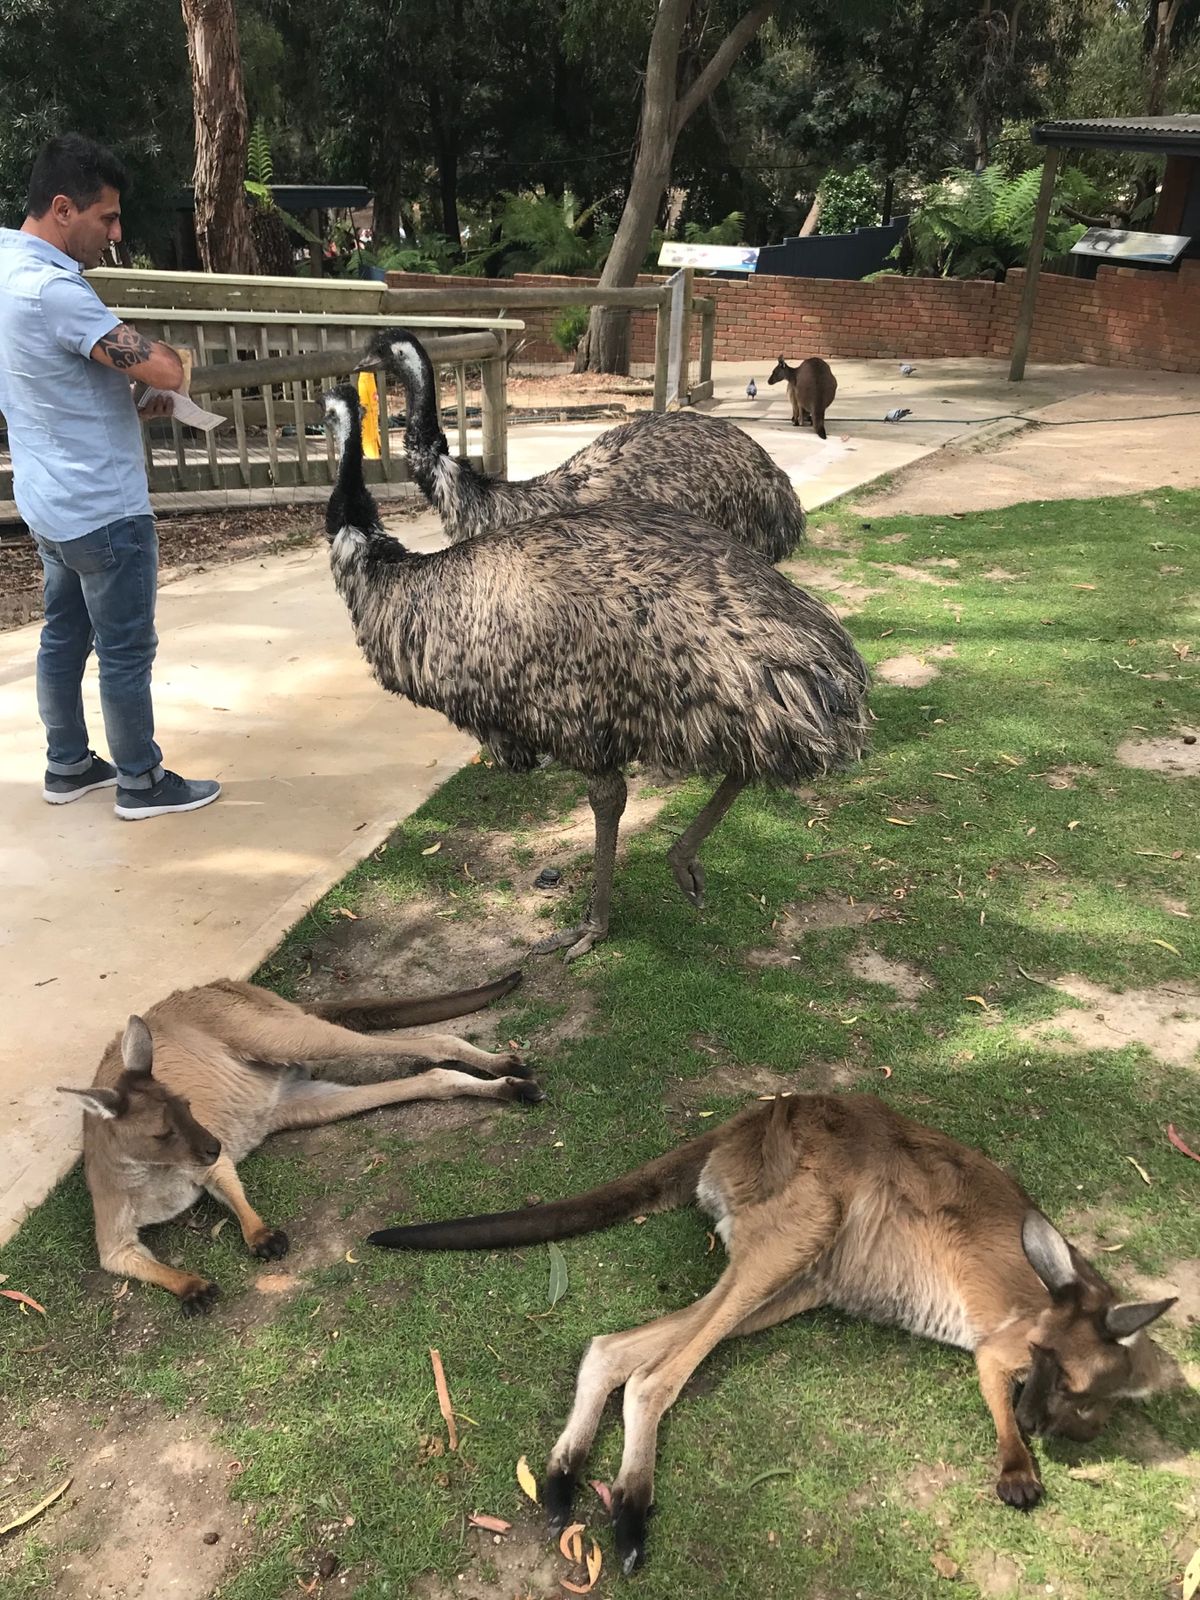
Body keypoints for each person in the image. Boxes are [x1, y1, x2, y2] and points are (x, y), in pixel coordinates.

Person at [0, 133, 220, 819]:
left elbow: (57, 379)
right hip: (103, 507)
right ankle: (141, 782)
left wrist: (129, 402)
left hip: (49, 500)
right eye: (107, 218)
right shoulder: (54, 292)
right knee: (125, 650)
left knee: (64, 633)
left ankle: (68, 764)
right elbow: (166, 368)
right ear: (63, 208)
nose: (116, 233)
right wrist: (171, 364)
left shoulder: (8, 266)